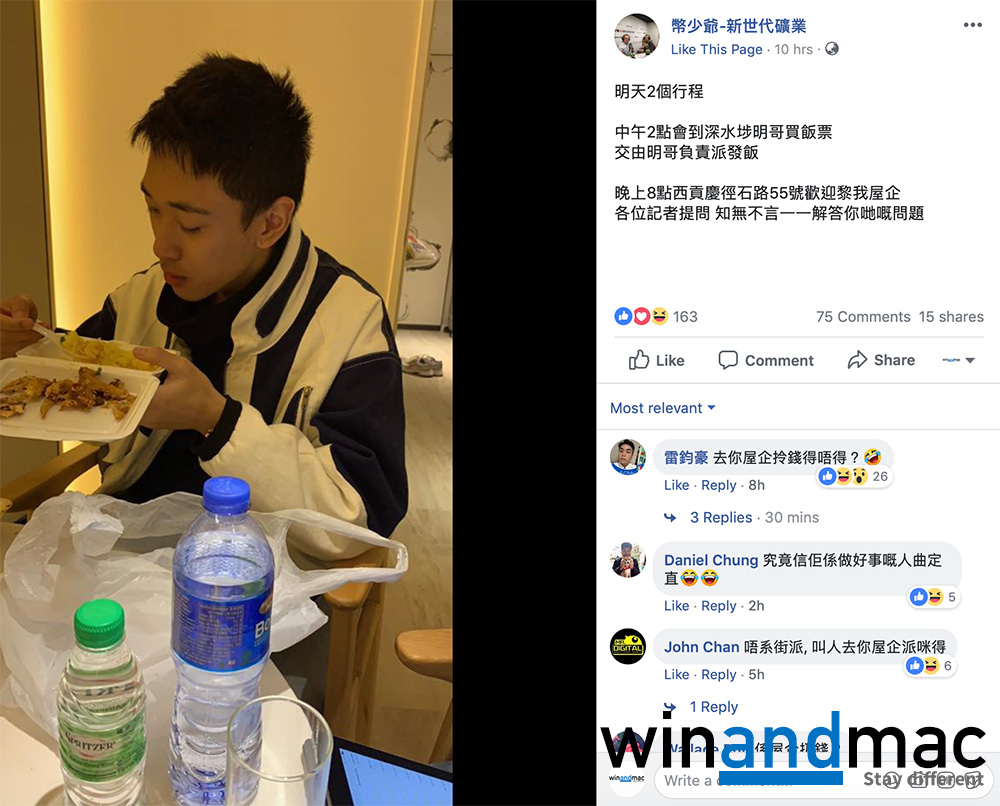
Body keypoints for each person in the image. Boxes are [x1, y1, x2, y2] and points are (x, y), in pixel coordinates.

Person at [0, 54, 407, 563]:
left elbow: (361, 520)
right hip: (122, 556)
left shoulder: (349, 322)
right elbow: (81, 379)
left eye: (190, 226)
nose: (161, 246)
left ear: (270, 223)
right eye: (152, 209)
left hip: (254, 582)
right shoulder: (144, 296)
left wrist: (215, 420)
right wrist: (28, 345)